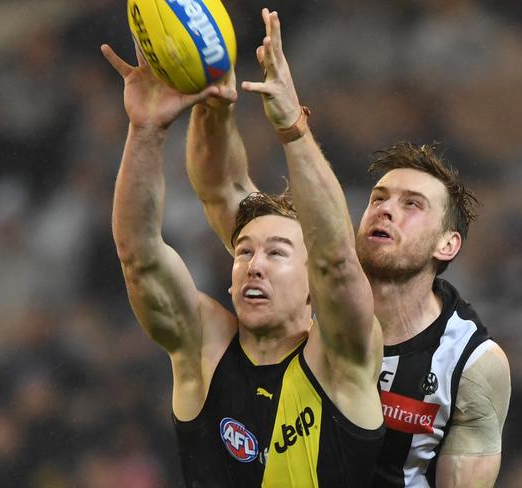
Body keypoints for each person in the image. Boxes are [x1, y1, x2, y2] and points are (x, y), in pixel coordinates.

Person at [186, 8, 511, 488]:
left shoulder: (471, 363)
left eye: (412, 204)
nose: (385, 209)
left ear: (448, 244)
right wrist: (212, 97)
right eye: (378, 198)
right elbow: (223, 188)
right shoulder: (307, 279)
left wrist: (294, 126)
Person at [100, 7, 384, 486]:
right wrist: (146, 131)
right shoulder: (205, 347)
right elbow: (139, 256)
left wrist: (293, 128)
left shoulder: (340, 357)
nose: (253, 265)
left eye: (276, 253)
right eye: (244, 252)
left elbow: (337, 260)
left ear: (313, 284)